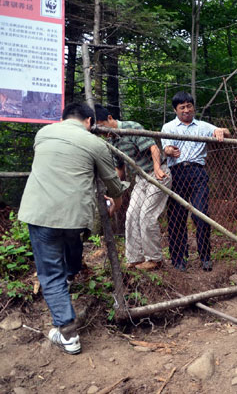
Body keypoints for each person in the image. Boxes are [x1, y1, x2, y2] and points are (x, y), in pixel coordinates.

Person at [19, 103, 127, 354]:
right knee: (70, 243)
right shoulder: (95, 143)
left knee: (50, 273)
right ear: (90, 121)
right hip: (74, 215)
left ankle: (67, 330)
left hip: (40, 212)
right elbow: (112, 181)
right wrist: (117, 203)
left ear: (64, 118)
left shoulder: (43, 133)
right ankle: (69, 284)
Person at [95, 104, 172, 271]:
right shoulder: (111, 142)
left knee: (147, 215)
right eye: (97, 129)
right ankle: (135, 258)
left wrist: (158, 168)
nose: (101, 131)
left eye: (101, 125)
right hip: (141, 178)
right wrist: (113, 189)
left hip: (157, 174)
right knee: (131, 214)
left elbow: (153, 147)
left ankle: (154, 259)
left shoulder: (131, 127)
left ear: (110, 118)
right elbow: (120, 170)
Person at [161, 91, 230, 272]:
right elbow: (165, 147)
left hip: (197, 172)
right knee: (176, 218)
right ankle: (178, 259)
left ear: (193, 107)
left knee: (201, 215)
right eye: (182, 107)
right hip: (176, 173)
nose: (186, 110)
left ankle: (205, 257)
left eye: (189, 106)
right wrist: (169, 150)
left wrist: (219, 131)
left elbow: (225, 131)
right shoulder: (168, 127)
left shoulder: (201, 125)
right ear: (175, 110)